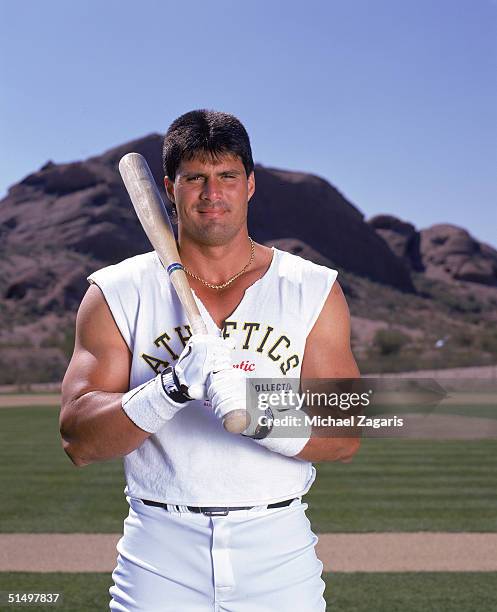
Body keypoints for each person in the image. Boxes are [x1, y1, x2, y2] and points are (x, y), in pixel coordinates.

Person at [59, 109, 361, 611]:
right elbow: (78, 440)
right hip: (160, 550)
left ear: (250, 186)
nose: (211, 193)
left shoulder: (312, 288)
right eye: (195, 177)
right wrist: (172, 386)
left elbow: (347, 434)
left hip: (277, 548)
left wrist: (255, 408)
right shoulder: (118, 290)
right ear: (170, 187)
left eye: (226, 176)